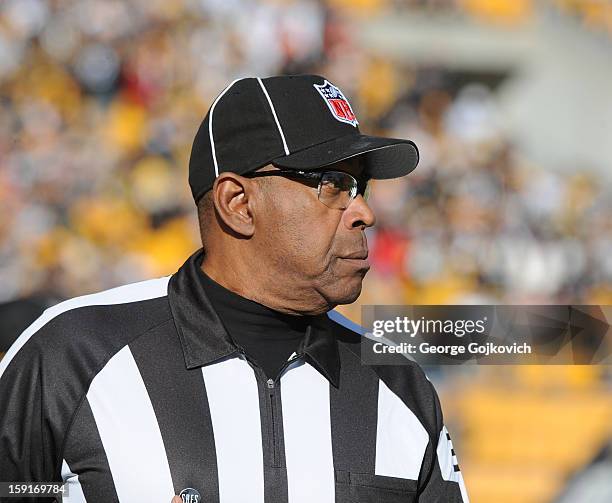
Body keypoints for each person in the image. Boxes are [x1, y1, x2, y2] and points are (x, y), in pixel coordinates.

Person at [0, 75, 469, 503]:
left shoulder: (400, 386)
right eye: (333, 184)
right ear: (238, 203)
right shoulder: (73, 354)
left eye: (361, 186)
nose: (364, 212)